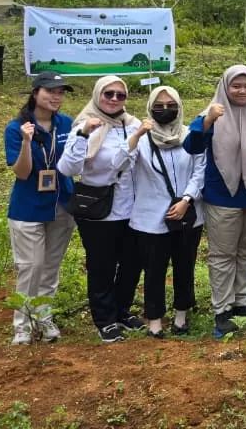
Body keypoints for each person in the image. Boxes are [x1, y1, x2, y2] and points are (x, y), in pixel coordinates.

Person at [57, 75, 144, 343]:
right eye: (109, 94)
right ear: (98, 95)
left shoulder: (134, 124)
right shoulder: (84, 124)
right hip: (99, 209)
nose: (115, 99)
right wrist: (84, 134)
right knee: (102, 266)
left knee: (131, 264)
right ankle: (105, 319)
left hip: (131, 207)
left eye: (120, 95)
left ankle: (122, 310)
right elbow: (68, 168)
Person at [185, 65, 246, 338]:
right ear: (225, 87)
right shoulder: (212, 112)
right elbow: (192, 146)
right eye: (236, 86)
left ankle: (242, 302)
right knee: (222, 255)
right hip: (222, 196)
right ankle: (222, 310)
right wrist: (208, 120)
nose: (242, 91)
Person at [4, 71, 78, 345]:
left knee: (50, 266)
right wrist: (26, 141)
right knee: (31, 267)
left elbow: (76, 159)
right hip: (28, 207)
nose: (56, 97)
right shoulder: (17, 128)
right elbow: (22, 173)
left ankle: (43, 316)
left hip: (61, 204)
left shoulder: (67, 124)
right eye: (50, 91)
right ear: (36, 93)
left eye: (61, 92)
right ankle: (22, 325)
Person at [126, 86, 205, 338]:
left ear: (179, 107)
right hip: (150, 217)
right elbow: (122, 162)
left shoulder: (191, 136)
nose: (165, 110)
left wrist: (187, 200)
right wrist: (137, 134)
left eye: (171, 104)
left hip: (187, 215)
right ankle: (155, 321)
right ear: (150, 108)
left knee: (185, 267)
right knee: (154, 271)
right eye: (158, 105)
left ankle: (181, 317)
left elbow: (199, 169)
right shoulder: (141, 138)